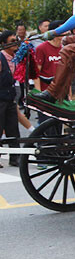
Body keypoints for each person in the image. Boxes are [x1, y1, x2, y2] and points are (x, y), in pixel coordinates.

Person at [0, 32, 21, 167]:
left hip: (10, 97)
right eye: (12, 41)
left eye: (16, 40)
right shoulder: (1, 58)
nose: (15, 43)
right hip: (0, 98)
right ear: (3, 44)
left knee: (13, 128)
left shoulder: (14, 58)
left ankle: (15, 157)